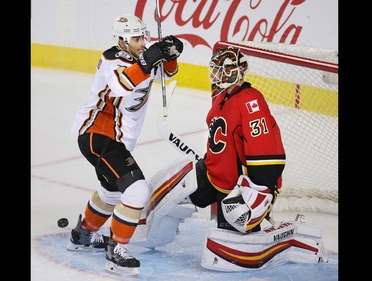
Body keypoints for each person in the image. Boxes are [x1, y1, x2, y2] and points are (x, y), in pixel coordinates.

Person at [67, 14, 183, 275]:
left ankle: (83, 234)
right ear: (121, 40)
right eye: (136, 38)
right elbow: (122, 84)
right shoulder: (112, 58)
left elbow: (169, 71)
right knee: (136, 190)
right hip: (97, 135)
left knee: (113, 192)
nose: (143, 42)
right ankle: (117, 250)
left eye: (144, 37)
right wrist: (150, 57)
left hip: (116, 139)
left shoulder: (143, 57)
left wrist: (171, 52)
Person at [143, 46, 286, 248]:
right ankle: (146, 232)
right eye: (216, 69)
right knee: (170, 197)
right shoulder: (221, 96)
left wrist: (260, 188)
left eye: (222, 69)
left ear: (237, 70)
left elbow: (268, 152)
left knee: (231, 241)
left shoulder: (251, 101)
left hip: (234, 187)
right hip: (212, 173)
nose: (217, 74)